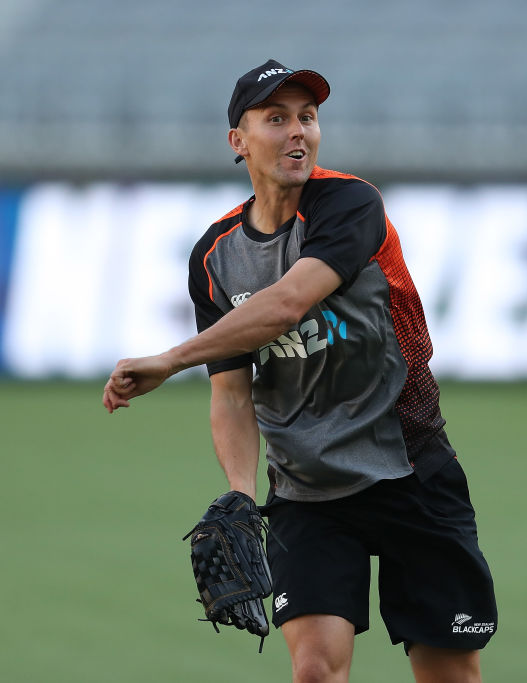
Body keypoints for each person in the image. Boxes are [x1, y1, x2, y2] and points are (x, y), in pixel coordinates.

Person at [102, 59, 497, 683]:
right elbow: (233, 393)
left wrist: (172, 357)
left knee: (450, 674)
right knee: (314, 671)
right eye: (276, 118)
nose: (298, 133)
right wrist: (239, 489)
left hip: (409, 468)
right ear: (238, 140)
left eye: (308, 118)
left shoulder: (350, 203)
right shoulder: (215, 254)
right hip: (306, 492)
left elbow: (287, 303)